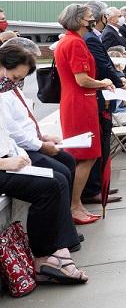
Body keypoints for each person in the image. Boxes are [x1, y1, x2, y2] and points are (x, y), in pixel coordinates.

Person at [0, 44, 88, 283]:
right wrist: (5, 163)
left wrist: (17, 155)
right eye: (13, 77)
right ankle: (45, 255)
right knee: (51, 183)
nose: (10, 83)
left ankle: (54, 249)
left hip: (10, 157)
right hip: (3, 165)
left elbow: (6, 133)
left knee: (57, 177)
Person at [55, 3, 115, 225]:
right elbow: (82, 79)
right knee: (86, 156)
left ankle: (76, 204)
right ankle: (74, 206)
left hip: (79, 103)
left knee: (86, 155)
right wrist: (103, 82)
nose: (94, 19)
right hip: (80, 104)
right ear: (80, 20)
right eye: (90, 17)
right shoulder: (75, 43)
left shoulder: (69, 41)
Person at [83, 1, 126, 205]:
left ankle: (100, 184)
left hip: (103, 92)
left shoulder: (93, 37)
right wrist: (118, 79)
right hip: (99, 94)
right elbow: (103, 63)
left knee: (103, 142)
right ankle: (93, 188)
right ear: (102, 17)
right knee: (99, 142)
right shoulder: (90, 38)